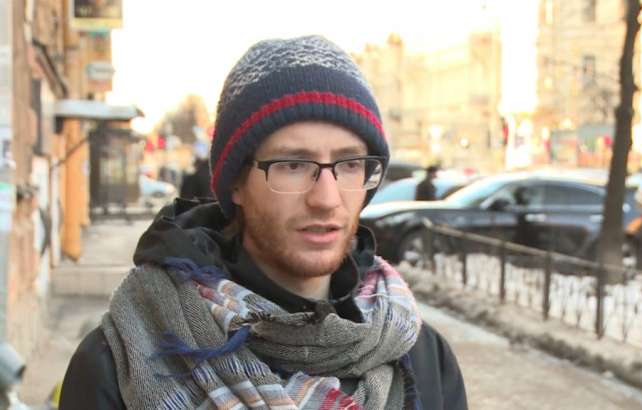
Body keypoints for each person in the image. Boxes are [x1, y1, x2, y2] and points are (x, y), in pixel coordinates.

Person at [59, 35, 467, 410]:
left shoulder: (420, 357)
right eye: (293, 165)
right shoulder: (122, 361)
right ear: (236, 182)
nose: (326, 199)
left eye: (349, 164)